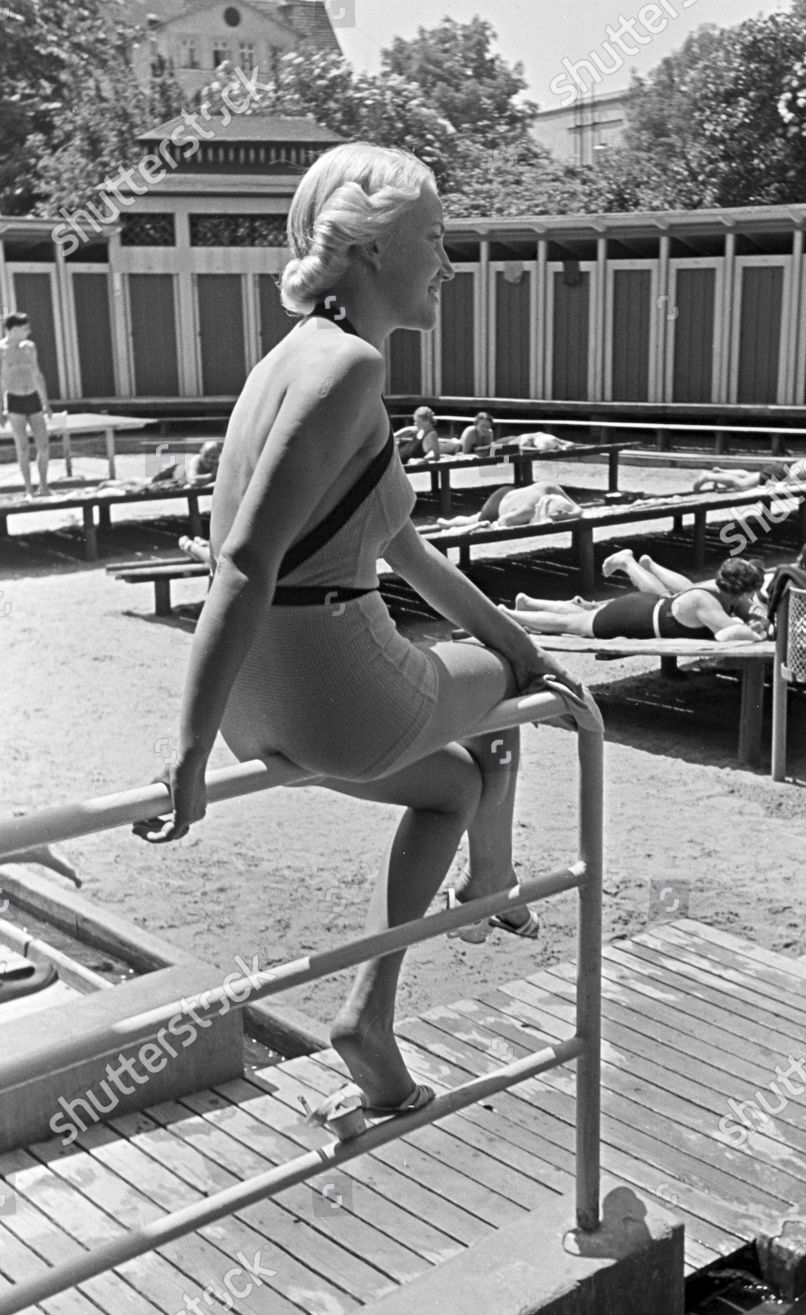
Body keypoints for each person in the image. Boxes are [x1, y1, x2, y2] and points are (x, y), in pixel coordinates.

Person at [131, 142, 577, 1127]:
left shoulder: (287, 363)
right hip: (336, 682)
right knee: (503, 705)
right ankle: (495, 881)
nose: (447, 264)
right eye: (433, 239)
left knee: (457, 778)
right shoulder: (353, 366)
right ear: (371, 250)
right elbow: (245, 561)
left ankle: (369, 1022)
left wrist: (515, 638)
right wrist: (183, 754)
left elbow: (404, 552)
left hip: (266, 697)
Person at [502, 558, 767, 642]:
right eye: (750, 591)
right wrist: (757, 635)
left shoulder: (717, 588)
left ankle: (530, 603)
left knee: (580, 616)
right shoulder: (705, 601)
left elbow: (749, 611)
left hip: (646, 607)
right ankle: (509, 616)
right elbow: (727, 634)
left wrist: (756, 618)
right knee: (571, 625)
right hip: (635, 616)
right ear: (740, 588)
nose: (751, 597)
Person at [0, 312, 52, 496]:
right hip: (14, 402)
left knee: (44, 446)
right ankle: (29, 489)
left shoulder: (29, 347)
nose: (29, 332)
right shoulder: (2, 350)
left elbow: (37, 374)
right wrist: (1, 408)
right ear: (12, 330)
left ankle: (43, 486)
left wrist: (46, 402)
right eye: (24, 329)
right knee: (22, 448)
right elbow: (1, 381)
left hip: (33, 399)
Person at [431, 480, 582, 531]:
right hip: (502, 497)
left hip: (511, 498)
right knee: (478, 519)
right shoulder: (530, 509)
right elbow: (503, 522)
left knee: (475, 518)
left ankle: (449, 523)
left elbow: (578, 509)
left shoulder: (550, 490)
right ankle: (450, 523)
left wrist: (568, 515)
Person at [395, 406, 460, 463]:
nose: (415, 423)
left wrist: (423, 460)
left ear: (426, 421)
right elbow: (408, 429)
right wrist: (393, 436)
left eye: (417, 421)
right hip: (398, 457)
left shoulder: (431, 434)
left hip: (407, 462)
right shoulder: (420, 429)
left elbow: (436, 456)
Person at [151, 440, 222, 487]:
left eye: (213, 457)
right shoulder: (195, 460)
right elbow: (193, 480)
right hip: (174, 475)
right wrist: (211, 475)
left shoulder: (219, 464)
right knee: (155, 480)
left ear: (219, 456)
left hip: (180, 483)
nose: (209, 459)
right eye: (206, 456)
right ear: (201, 452)